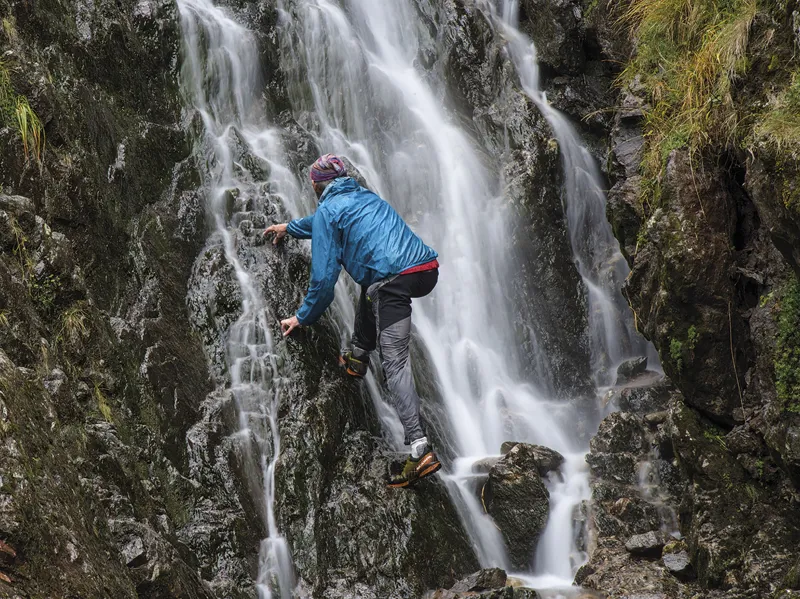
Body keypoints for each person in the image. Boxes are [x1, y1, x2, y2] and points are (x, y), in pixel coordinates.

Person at [264, 154, 441, 488]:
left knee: (395, 361)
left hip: (394, 280)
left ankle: (420, 448)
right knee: (371, 285)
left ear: (316, 185)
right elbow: (321, 223)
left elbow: (323, 281)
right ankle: (358, 356)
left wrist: (302, 317)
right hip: (424, 269)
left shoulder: (330, 211)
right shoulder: (363, 197)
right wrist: (290, 228)